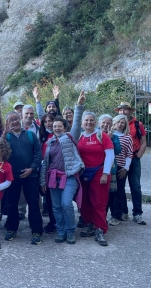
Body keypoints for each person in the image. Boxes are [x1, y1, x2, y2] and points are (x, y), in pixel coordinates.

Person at [39, 96, 84, 246]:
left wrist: (79, 106)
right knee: (56, 206)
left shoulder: (69, 137)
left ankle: (70, 231)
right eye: (55, 126)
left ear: (64, 127)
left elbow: (77, 124)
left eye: (60, 126)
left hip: (69, 176)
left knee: (66, 204)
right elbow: (45, 164)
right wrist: (42, 181)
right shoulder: (49, 142)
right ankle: (61, 230)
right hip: (53, 177)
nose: (57, 128)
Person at [75, 109, 115, 247]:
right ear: (82, 123)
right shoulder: (79, 137)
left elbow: (110, 155)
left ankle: (100, 229)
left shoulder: (102, 136)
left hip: (99, 172)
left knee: (99, 202)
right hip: (83, 173)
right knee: (84, 202)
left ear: (95, 122)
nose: (89, 122)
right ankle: (90, 224)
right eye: (86, 120)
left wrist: (105, 173)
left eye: (91, 120)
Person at [3, 110, 43, 245]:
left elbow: (38, 153)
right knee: (12, 203)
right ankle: (11, 228)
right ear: (7, 123)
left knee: (33, 203)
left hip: (30, 174)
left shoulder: (31, 135)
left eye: (15, 119)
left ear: (20, 118)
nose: (14, 122)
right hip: (12, 175)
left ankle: (37, 230)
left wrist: (32, 168)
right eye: (11, 120)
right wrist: (4, 132)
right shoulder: (6, 137)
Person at [115, 102, 146, 225]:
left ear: (130, 111)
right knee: (120, 187)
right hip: (120, 161)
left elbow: (143, 142)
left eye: (126, 110)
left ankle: (137, 213)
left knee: (135, 187)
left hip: (134, 159)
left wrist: (138, 156)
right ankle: (124, 212)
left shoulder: (138, 125)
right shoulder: (116, 125)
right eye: (121, 110)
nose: (123, 112)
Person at [107, 114, 133, 226]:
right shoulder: (108, 135)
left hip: (120, 168)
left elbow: (129, 154)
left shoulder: (127, 137)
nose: (120, 124)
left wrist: (125, 168)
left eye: (122, 122)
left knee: (118, 192)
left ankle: (116, 215)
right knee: (110, 193)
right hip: (109, 168)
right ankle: (113, 213)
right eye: (118, 122)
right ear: (114, 123)